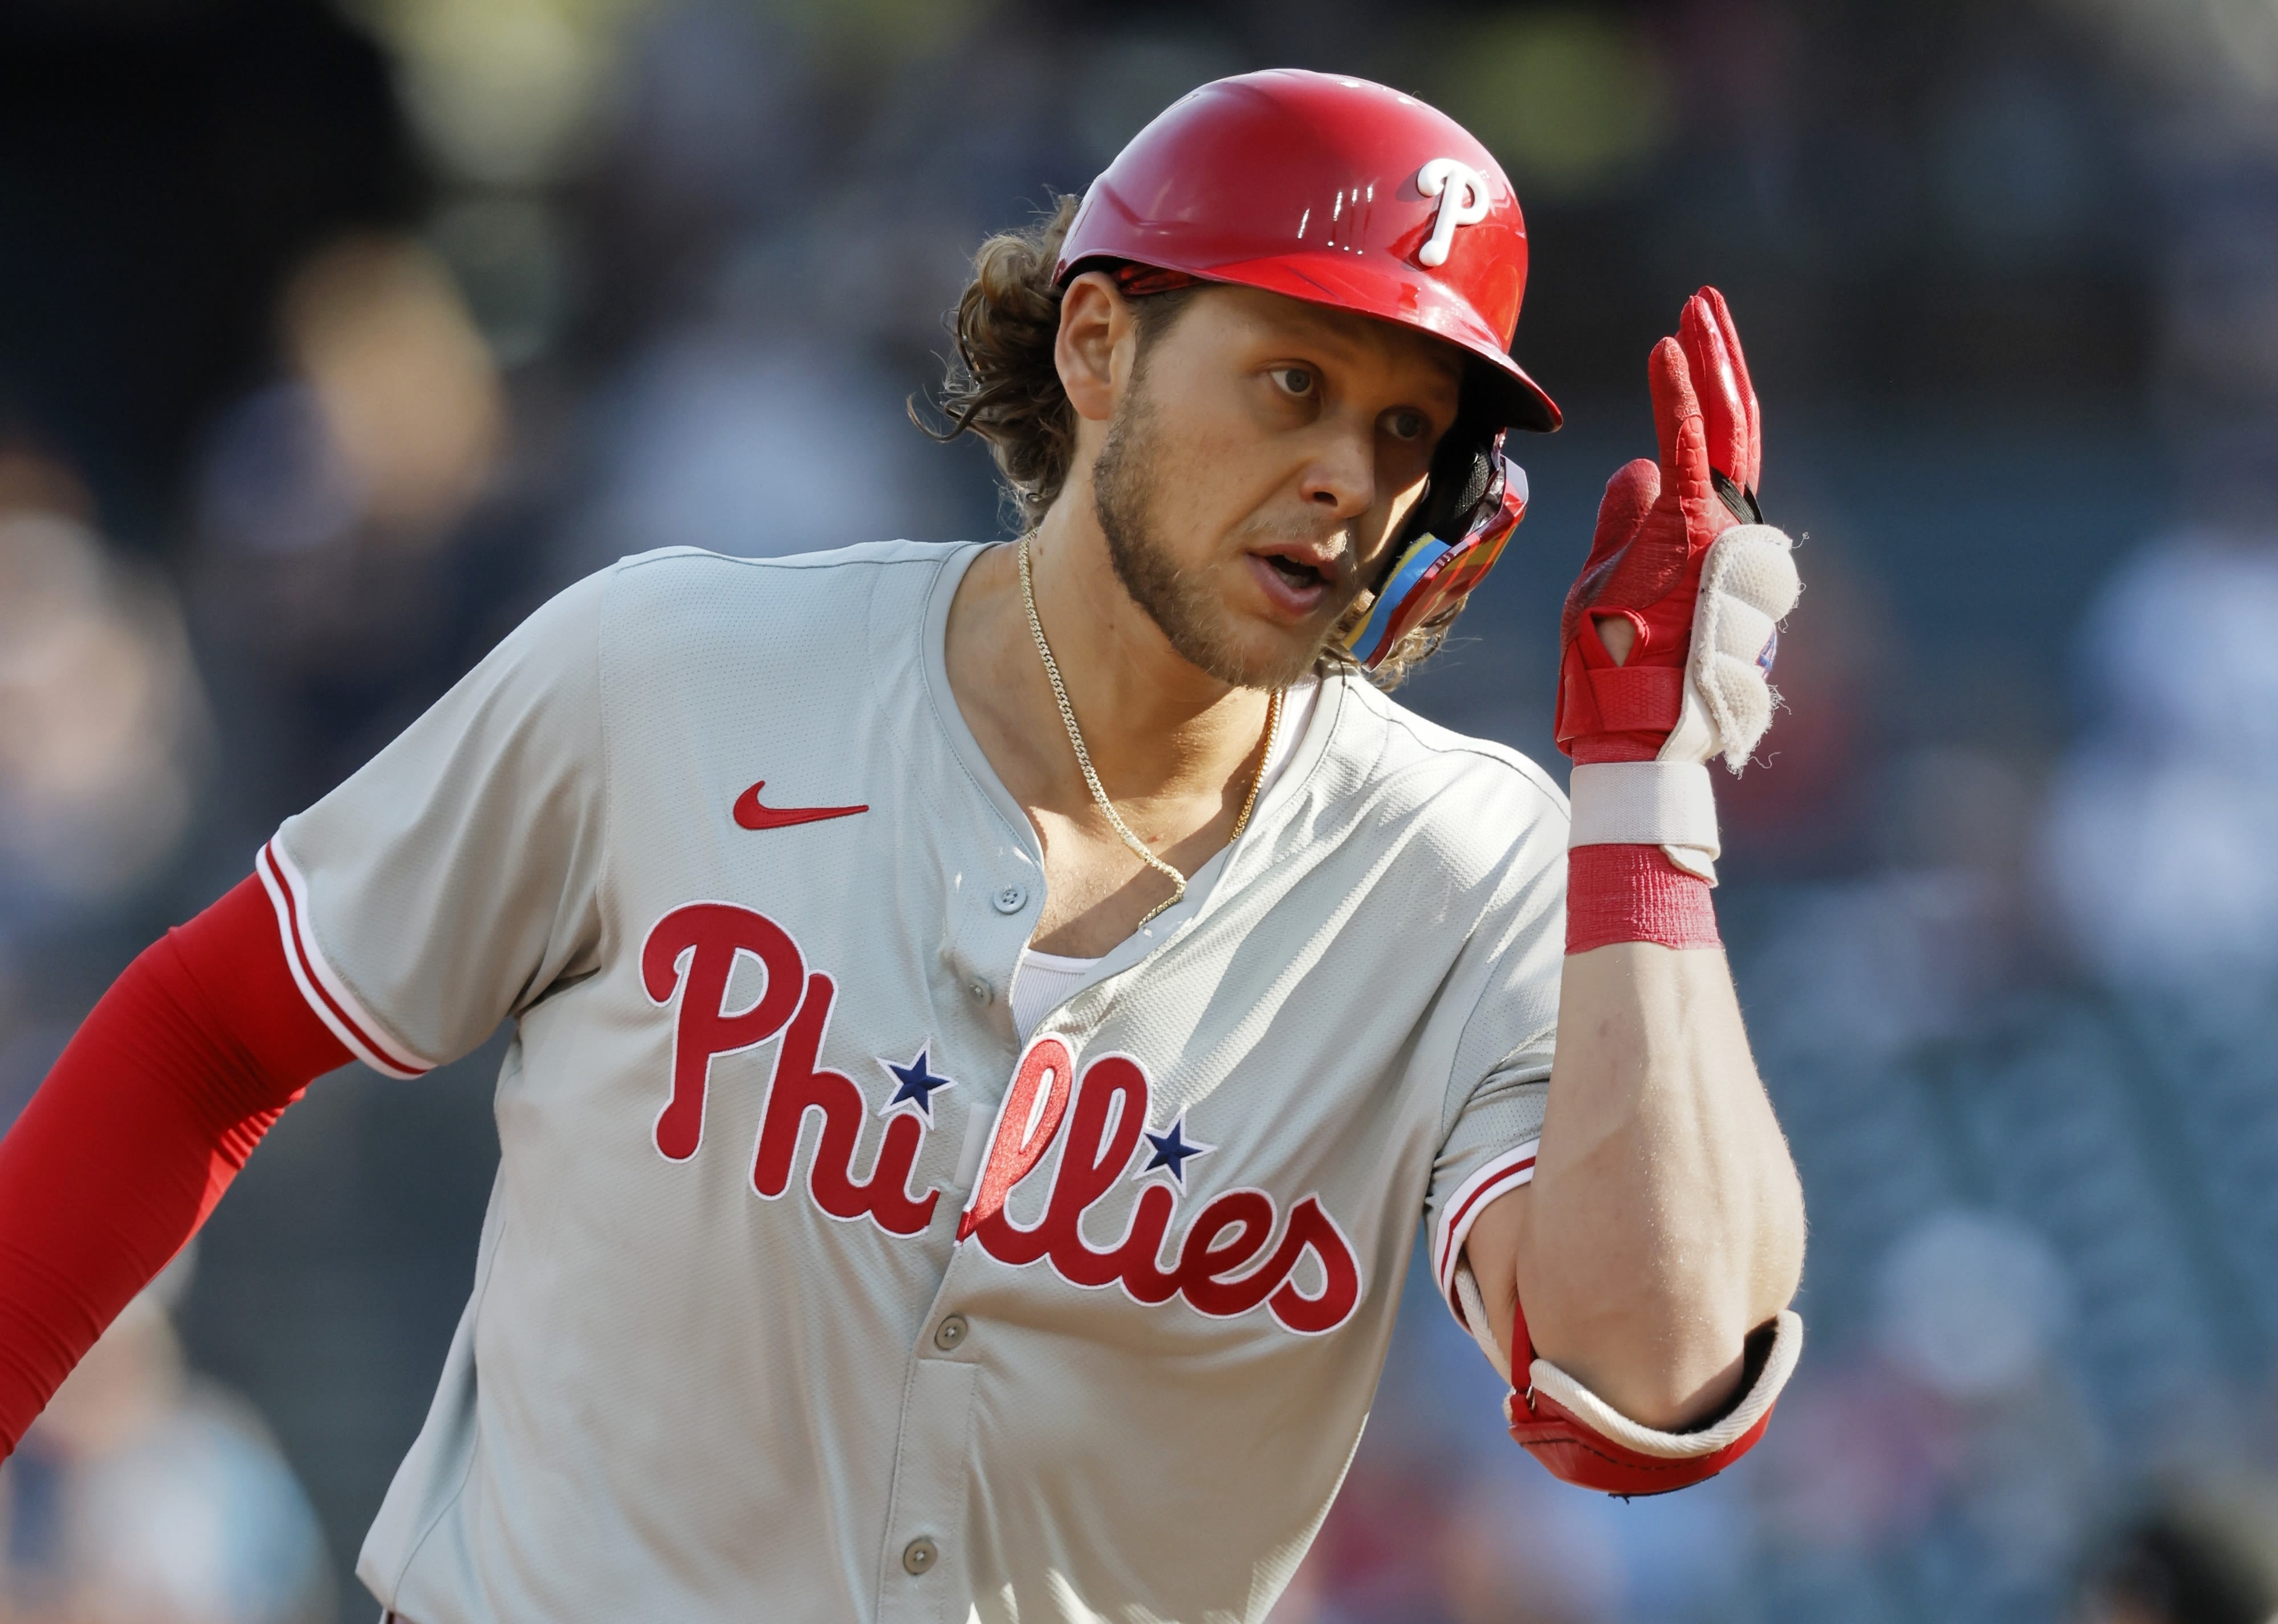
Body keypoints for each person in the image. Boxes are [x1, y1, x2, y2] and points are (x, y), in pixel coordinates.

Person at [0, 70, 1806, 1622]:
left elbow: (1635, 1389)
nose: (1348, 468)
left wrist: (1647, 799)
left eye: (1407, 426)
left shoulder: (1471, 863)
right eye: (1290, 381)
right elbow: (212, 1033)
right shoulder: (674, 671)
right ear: (1096, 342)